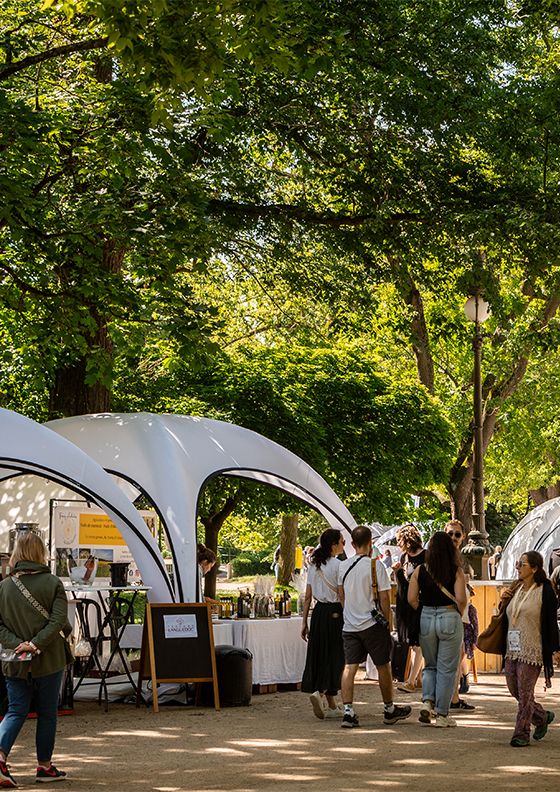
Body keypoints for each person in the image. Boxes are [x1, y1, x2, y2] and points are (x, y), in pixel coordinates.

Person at [0, 532, 69, 786]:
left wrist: (18, 645)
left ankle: (0, 757)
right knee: (47, 713)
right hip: (49, 658)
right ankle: (44, 766)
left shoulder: (4, 586)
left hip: (14, 660)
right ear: (41, 552)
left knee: (15, 710)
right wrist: (36, 644)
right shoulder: (53, 583)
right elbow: (58, 620)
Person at [337, 525, 411, 729]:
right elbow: (385, 598)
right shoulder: (375, 566)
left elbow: (341, 595)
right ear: (370, 544)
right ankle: (388, 709)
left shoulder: (342, 566)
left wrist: (349, 612)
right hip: (372, 624)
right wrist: (387, 623)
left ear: (352, 544)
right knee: (383, 666)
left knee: (350, 667)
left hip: (350, 625)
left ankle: (348, 712)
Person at [408, 531, 467, 727]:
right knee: (447, 669)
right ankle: (442, 714)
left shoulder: (420, 570)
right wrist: (455, 613)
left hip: (426, 618)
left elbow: (411, 599)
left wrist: (424, 610)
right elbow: (461, 599)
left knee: (430, 665)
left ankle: (427, 701)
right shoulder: (456, 571)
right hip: (449, 616)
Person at [503, 550, 559, 747]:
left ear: (534, 568)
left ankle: (521, 733)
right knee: (513, 688)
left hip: (532, 649)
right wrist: (504, 599)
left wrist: (554, 648)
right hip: (512, 648)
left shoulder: (544, 590)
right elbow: (506, 615)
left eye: (522, 564)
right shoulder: (516, 588)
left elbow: (551, 622)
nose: (518, 567)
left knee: (525, 692)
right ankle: (541, 716)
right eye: (518, 563)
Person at [301, 529, 346, 719]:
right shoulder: (339, 565)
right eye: (342, 542)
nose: (344, 546)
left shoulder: (315, 565)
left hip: (318, 613)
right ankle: (328, 699)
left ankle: (322, 696)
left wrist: (304, 621)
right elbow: (342, 594)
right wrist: (349, 616)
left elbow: (307, 596)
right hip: (335, 611)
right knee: (336, 656)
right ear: (334, 545)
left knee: (319, 654)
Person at [444, 519, 475, 712]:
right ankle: (450, 699)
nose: (454, 537)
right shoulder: (444, 557)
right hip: (452, 613)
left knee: (457, 657)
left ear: (463, 537)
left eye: (457, 534)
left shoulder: (457, 557)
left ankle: (452, 697)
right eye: (450, 534)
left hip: (458, 614)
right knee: (453, 659)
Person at [393, 524, 426, 693]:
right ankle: (418, 678)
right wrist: (396, 572)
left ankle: (411, 681)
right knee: (413, 644)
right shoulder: (404, 557)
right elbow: (401, 581)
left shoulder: (425, 557)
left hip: (418, 604)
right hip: (404, 604)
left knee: (418, 643)